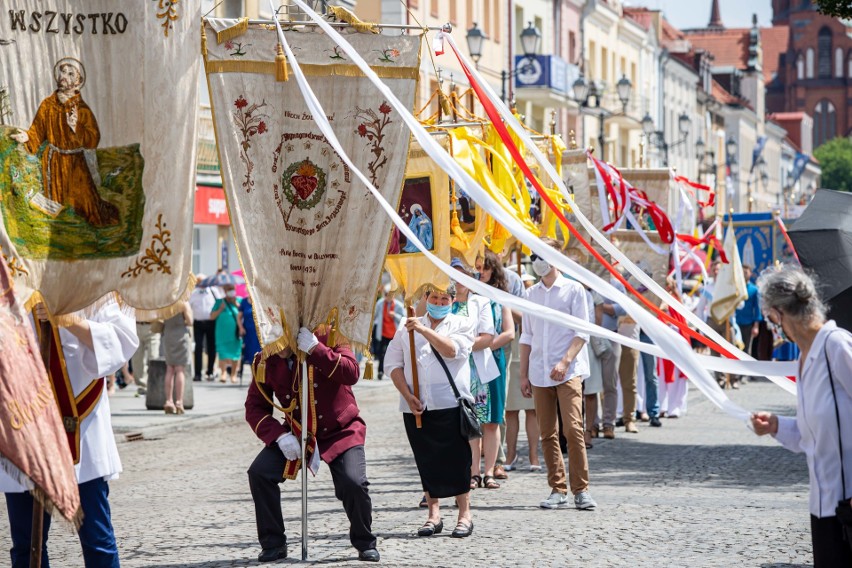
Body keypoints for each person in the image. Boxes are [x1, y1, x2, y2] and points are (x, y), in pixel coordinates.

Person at [2, 298, 138, 567]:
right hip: (24, 429)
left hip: (82, 431)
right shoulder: (9, 280)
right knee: (27, 547)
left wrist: (70, 320)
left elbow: (122, 341)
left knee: (97, 540)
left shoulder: (91, 280)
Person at [245, 329, 379, 563]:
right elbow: (255, 407)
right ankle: (273, 543)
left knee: (353, 482)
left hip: (340, 429)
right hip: (297, 432)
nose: (277, 345)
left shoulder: (331, 336)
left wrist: (317, 349)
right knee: (259, 473)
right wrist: (278, 436)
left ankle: (364, 541)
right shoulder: (264, 359)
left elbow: (351, 373)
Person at [751, 266, 852, 567]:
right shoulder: (804, 358)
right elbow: (812, 436)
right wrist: (777, 425)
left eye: (770, 317)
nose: (772, 326)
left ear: (782, 313)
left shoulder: (836, 345)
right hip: (823, 506)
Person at [384, 285, 477, 538]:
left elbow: (452, 350)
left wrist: (423, 330)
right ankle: (433, 514)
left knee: (458, 461)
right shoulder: (406, 324)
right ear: (426, 298)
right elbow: (392, 364)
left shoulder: (462, 322)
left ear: (452, 300)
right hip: (417, 405)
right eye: (434, 297)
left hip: (450, 402)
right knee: (427, 460)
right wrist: (407, 394)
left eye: (444, 298)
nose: (438, 301)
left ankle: (464, 513)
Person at [520, 239, 596, 510]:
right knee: (547, 432)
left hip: (568, 371)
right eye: (533, 255)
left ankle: (581, 489)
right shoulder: (531, 295)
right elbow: (526, 336)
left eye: (541, 255)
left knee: (572, 428)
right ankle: (557, 487)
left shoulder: (574, 290)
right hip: (540, 372)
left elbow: (581, 333)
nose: (537, 260)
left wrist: (565, 362)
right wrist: (523, 373)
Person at [10, 57, 118, 226]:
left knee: (89, 209)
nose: (64, 76)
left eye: (70, 73)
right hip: (53, 162)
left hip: (75, 164)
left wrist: (77, 128)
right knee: (55, 208)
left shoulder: (82, 110)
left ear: (78, 81)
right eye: (62, 72)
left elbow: (93, 139)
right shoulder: (47, 105)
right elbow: (38, 129)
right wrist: (28, 137)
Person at [450, 258, 500, 490]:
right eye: (453, 274)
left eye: (462, 275)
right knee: (462, 420)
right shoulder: (442, 301)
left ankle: (489, 471)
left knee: (486, 419)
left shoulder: (480, 302)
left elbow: (488, 337)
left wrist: (460, 345)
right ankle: (472, 471)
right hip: (452, 369)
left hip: (477, 368)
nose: (457, 280)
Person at [475, 250, 516, 481]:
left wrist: (486, 345)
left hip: (492, 359)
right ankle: (473, 469)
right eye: (478, 267)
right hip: (471, 359)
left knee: (492, 414)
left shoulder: (499, 297)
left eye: (486, 268)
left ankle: (492, 466)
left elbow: (509, 332)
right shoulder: (466, 296)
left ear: (494, 270)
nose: (481, 272)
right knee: (471, 414)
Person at [162, 301, 193, 414]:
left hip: (168, 335)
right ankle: (179, 402)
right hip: (180, 335)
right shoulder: (183, 304)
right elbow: (190, 322)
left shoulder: (164, 302)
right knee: (180, 369)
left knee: (169, 369)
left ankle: (169, 401)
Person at [211, 283, 243, 383]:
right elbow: (212, 316)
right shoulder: (219, 302)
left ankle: (233, 374)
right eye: (228, 289)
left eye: (232, 289)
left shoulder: (239, 300)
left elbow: (244, 314)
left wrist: (236, 305)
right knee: (222, 353)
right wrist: (220, 309)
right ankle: (223, 373)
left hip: (235, 333)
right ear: (224, 291)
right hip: (221, 332)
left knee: (235, 353)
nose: (231, 291)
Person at [371, 285, 404, 380]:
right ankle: (380, 371)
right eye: (386, 294)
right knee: (382, 353)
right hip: (383, 333)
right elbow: (375, 316)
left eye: (390, 294)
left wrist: (395, 316)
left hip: (394, 334)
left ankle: (396, 372)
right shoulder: (380, 303)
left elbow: (403, 318)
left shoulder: (399, 305)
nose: (388, 296)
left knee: (395, 354)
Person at [189, 276, 218, 381]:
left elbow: (219, 304)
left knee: (211, 347)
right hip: (198, 323)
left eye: (204, 281)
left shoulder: (213, 291)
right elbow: (188, 306)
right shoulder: (194, 293)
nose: (202, 283)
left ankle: (210, 371)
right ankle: (197, 373)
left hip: (211, 323)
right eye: (200, 281)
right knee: (198, 347)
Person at [238, 294, 262, 381]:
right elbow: (239, 316)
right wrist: (241, 328)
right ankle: (254, 378)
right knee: (251, 355)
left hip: (259, 333)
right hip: (248, 333)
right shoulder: (244, 302)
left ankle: (259, 377)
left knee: (260, 354)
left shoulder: (260, 299)